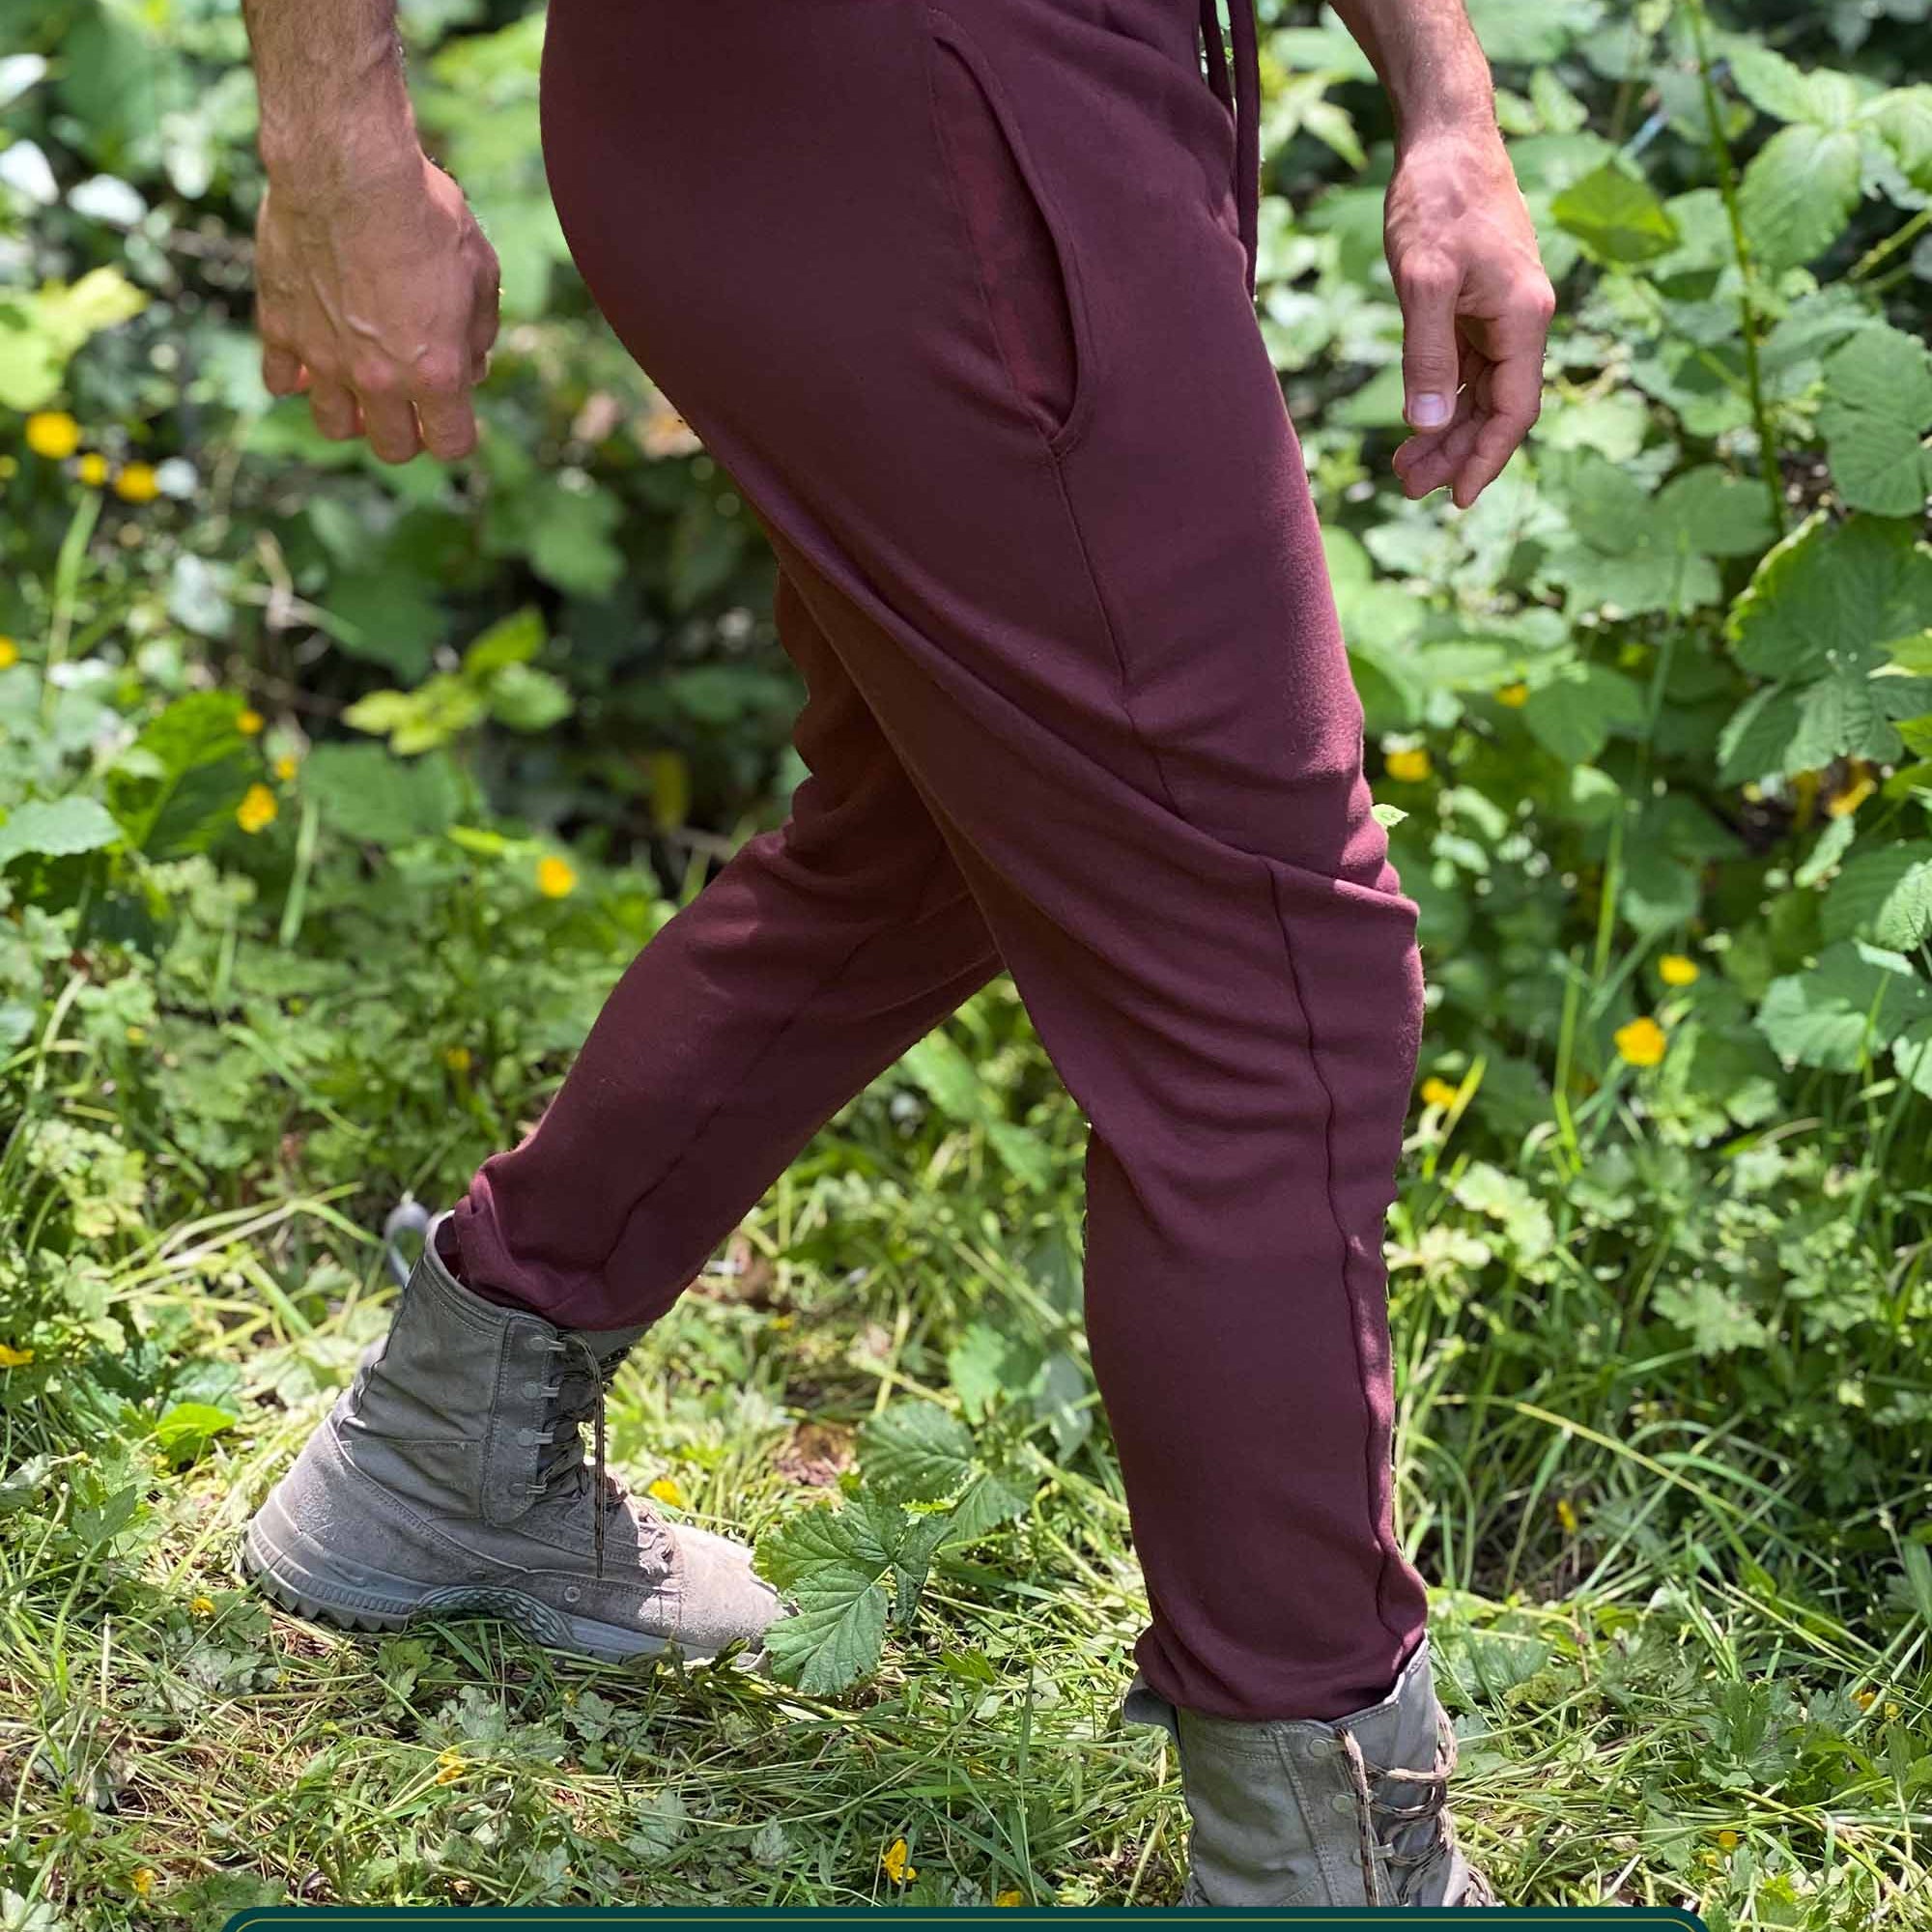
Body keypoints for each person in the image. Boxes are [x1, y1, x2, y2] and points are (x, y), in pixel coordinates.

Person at [235, 0, 1554, 1907]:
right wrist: (333, 149)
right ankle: (1320, 1855)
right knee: (1267, 985)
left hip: (1003, 100)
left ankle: (456, 1433)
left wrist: (1446, 97)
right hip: (914, 94)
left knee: (934, 825)